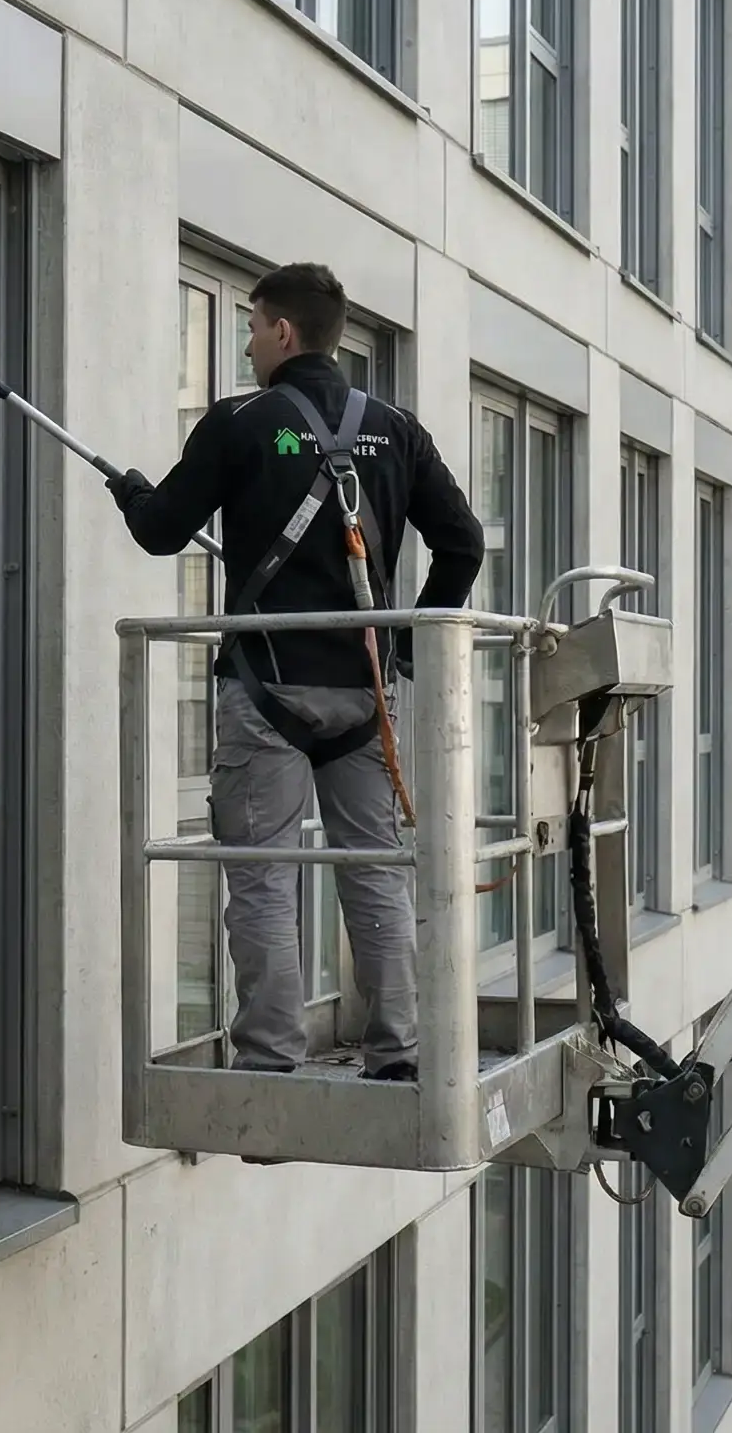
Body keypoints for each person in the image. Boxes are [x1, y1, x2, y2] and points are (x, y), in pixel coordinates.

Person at [107, 263, 484, 1080]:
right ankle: (399, 1054)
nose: (248, 345)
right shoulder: (396, 429)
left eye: (251, 327)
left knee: (262, 880)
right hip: (364, 699)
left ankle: (270, 1063)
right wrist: (405, 647)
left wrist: (133, 493)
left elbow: (161, 532)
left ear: (283, 331)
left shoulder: (242, 422)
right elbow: (464, 545)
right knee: (375, 871)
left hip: (265, 690)